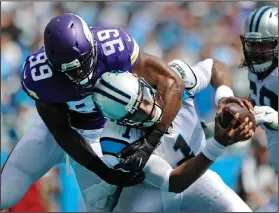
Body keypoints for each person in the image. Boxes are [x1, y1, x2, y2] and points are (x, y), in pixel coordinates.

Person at [1, 12, 185, 211]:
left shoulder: (114, 48)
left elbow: (172, 81)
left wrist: (151, 140)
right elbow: (61, 130)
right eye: (70, 70)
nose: (80, 74)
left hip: (104, 134)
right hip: (56, 134)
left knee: (103, 208)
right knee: (6, 192)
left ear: (92, 46)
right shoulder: (40, 76)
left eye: (82, 63)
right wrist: (102, 171)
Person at [91, 60, 254, 212]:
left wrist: (224, 96)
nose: (148, 110)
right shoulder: (116, 141)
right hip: (150, 192)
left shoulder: (172, 79)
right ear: (121, 121)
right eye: (136, 113)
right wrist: (218, 144)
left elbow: (214, 66)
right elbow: (172, 183)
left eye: (144, 100)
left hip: (199, 179)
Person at [240, 5, 278, 212]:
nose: (257, 52)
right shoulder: (254, 72)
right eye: (253, 45)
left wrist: (276, 119)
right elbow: (254, 103)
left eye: (265, 45)